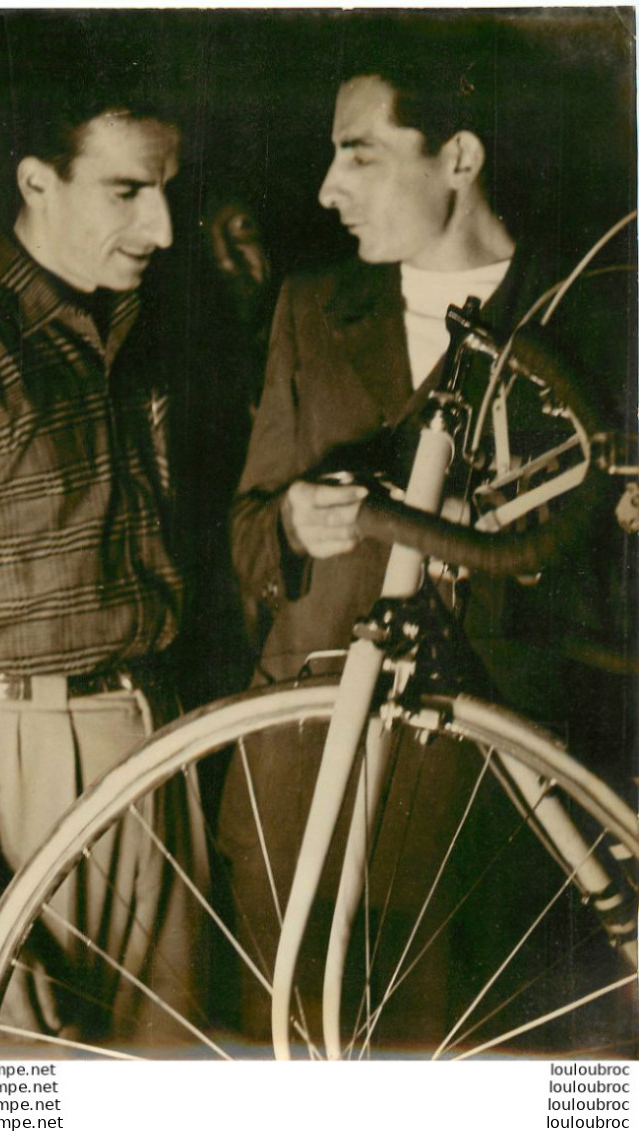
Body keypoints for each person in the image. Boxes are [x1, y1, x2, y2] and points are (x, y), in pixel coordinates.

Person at [219, 38, 636, 1044]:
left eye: (358, 153)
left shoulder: (586, 318)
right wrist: (289, 521)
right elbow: (242, 535)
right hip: (305, 788)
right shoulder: (311, 311)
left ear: (457, 157)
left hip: (484, 802)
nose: (326, 189)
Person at [0, 86, 208, 1052]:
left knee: (172, 1088)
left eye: (165, 190)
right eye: (126, 192)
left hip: (152, 744)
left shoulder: (137, 328)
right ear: (36, 182)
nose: (159, 225)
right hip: (10, 775)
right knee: (31, 1088)